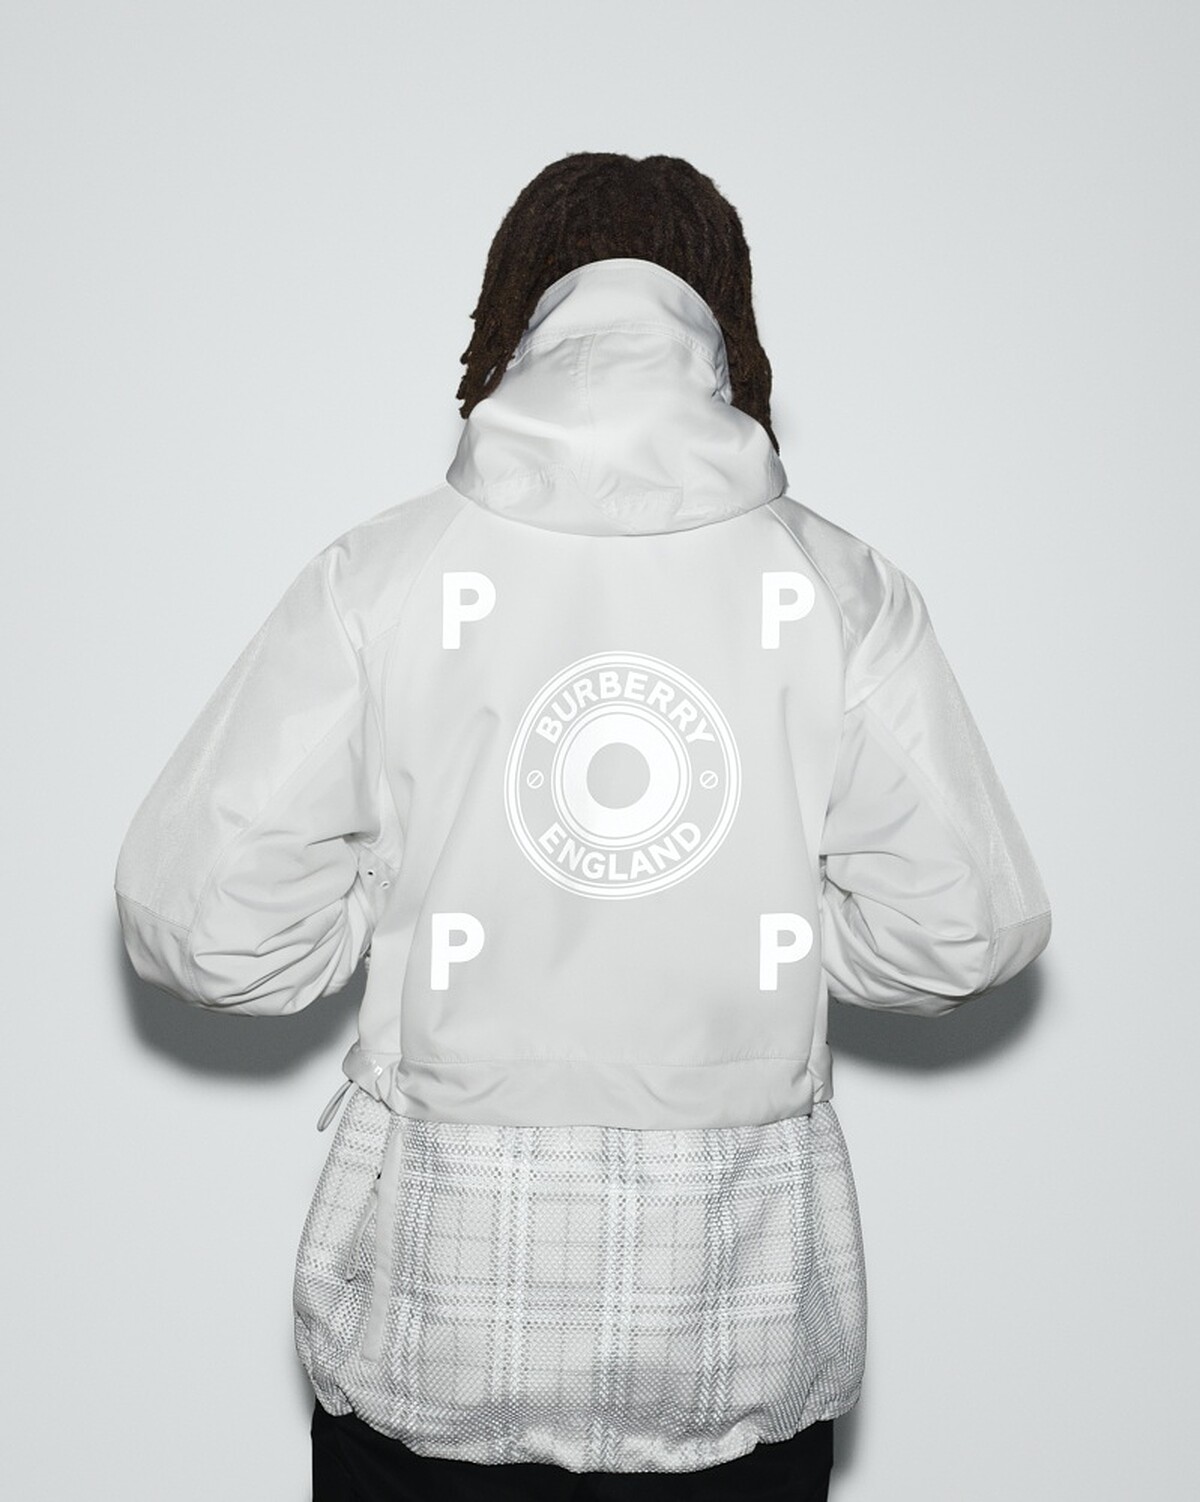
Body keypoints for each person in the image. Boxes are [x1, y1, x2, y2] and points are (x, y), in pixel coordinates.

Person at [113, 151, 1052, 1500]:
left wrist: (392, 900)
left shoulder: (381, 576)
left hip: (434, 1322)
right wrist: (755, 926)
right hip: (734, 1322)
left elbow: (206, 929)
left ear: (508, 317)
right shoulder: (841, 589)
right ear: (727, 327)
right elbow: (959, 932)